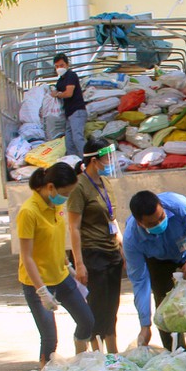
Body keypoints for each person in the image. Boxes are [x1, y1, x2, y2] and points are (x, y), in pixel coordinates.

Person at [17, 163, 95, 369]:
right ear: (50, 187)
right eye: (65, 192)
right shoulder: (28, 212)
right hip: (38, 283)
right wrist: (42, 291)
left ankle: (80, 363)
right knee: (50, 338)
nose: (66, 197)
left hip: (60, 276)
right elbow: (27, 256)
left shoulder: (57, 206)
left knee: (87, 321)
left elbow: (56, 241)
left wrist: (68, 264)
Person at [124, 190, 186, 349]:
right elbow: (139, 281)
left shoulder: (179, 204)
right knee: (165, 306)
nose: (159, 224)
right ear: (139, 222)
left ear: (162, 206)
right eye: (151, 224)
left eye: (161, 217)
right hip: (159, 260)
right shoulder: (131, 240)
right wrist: (145, 325)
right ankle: (176, 353)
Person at [67, 137, 124, 353]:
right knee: (96, 307)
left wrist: (122, 246)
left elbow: (112, 218)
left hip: (112, 254)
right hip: (93, 254)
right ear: (94, 160)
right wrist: (79, 264)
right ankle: (96, 353)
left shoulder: (105, 183)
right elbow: (73, 228)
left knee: (112, 306)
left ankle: (113, 352)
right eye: (107, 157)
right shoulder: (79, 186)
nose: (111, 161)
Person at [48, 53, 87, 157]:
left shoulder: (71, 75)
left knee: (77, 138)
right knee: (69, 141)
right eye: (57, 66)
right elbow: (55, 91)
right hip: (69, 114)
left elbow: (68, 93)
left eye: (61, 65)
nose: (59, 68)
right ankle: (73, 162)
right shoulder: (61, 80)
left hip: (77, 111)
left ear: (67, 64)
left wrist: (57, 94)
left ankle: (88, 161)